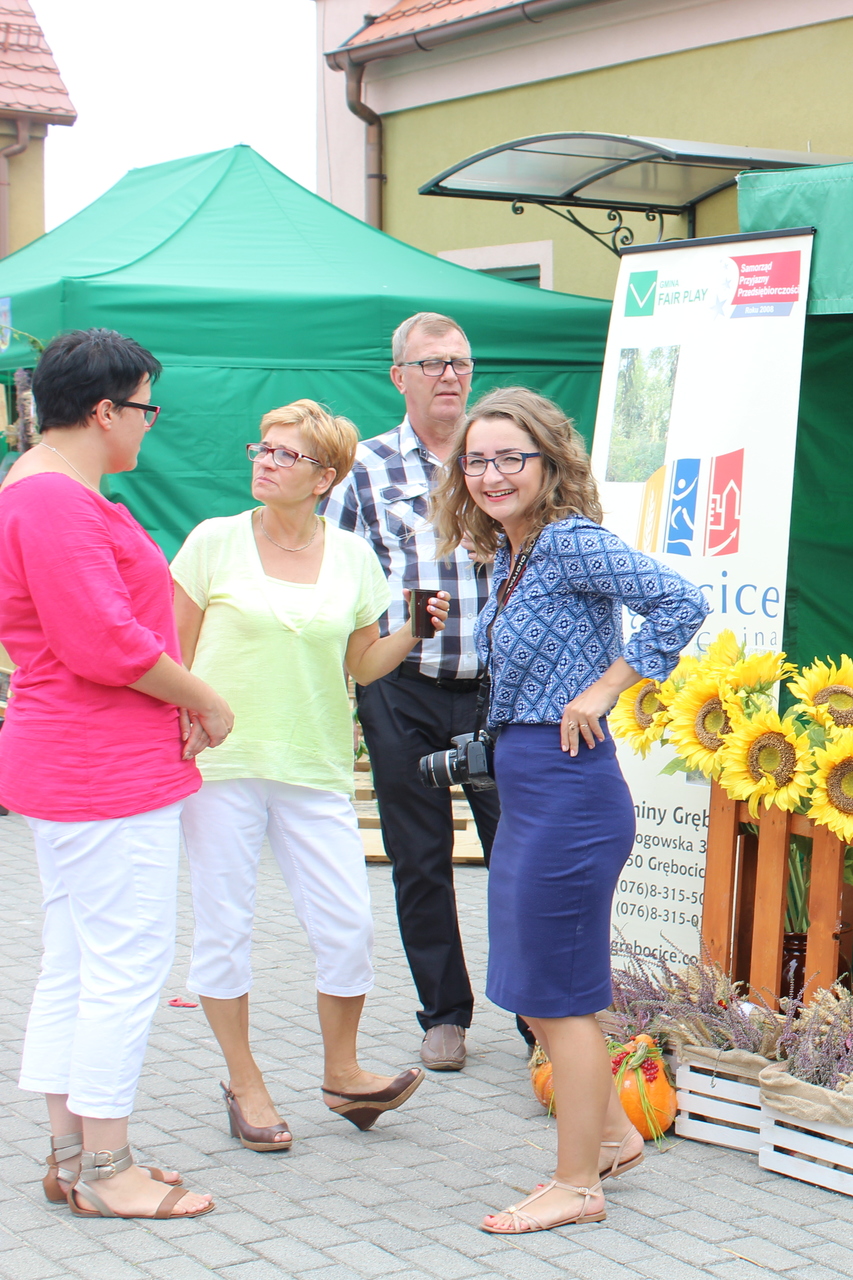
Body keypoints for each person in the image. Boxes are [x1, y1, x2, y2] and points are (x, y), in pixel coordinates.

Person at [429, 386, 705, 1234]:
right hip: (535, 786)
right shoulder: (512, 557)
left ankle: (577, 1184)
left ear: (550, 463)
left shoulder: (569, 542)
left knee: (554, 992)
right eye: (477, 459)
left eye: (512, 457)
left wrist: (607, 686)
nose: (492, 474)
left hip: (571, 792)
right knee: (539, 987)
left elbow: (681, 600)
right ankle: (615, 1138)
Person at [173, 400, 449, 1152]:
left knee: (347, 927)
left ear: (325, 476)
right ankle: (245, 1079)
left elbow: (360, 666)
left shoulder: (353, 557)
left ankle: (342, 1071)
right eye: (262, 447)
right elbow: (174, 654)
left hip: (317, 764)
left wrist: (413, 632)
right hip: (223, 766)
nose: (265, 460)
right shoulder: (212, 543)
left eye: (285, 454)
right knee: (225, 929)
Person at [0, 329, 227, 1220]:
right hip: (101, 764)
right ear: (104, 411)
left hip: (79, 760)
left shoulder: (42, 487)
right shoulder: (56, 499)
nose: (148, 426)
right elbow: (105, 643)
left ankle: (72, 1153)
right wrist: (205, 696)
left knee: (81, 958)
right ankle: (106, 1166)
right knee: (124, 963)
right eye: (144, 408)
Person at [324, 312, 504, 1071]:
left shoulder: (499, 457)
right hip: (402, 689)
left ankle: (541, 1015)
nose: (450, 376)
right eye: (431, 364)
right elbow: (335, 574)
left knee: (519, 853)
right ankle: (445, 1015)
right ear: (399, 376)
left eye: (460, 362)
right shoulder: (364, 467)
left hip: (499, 693)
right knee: (419, 858)